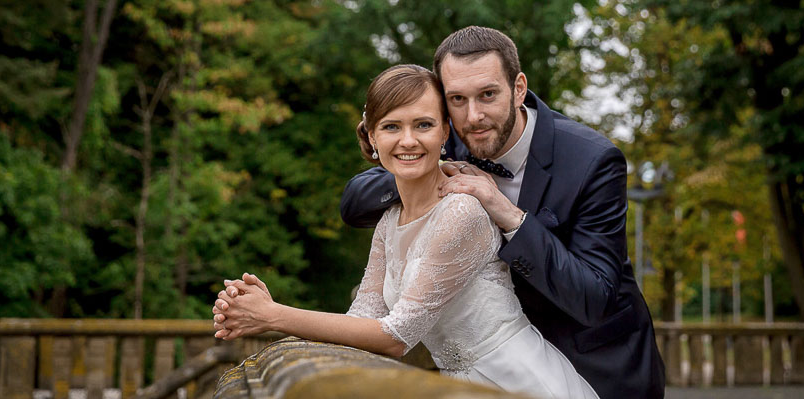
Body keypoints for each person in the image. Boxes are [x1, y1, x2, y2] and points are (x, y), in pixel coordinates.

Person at [213, 64, 599, 398]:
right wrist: (262, 308)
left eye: (424, 125)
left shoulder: (461, 213)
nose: (408, 140)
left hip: (520, 382)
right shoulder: (388, 221)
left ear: (446, 132)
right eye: (392, 126)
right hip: (462, 387)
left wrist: (274, 315)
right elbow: (362, 316)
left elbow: (395, 338)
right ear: (372, 138)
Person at [339, 26, 665, 398]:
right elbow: (354, 204)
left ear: (519, 88)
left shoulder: (592, 160)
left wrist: (506, 212)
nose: (473, 116)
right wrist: (429, 169)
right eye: (457, 99)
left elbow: (594, 298)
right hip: (487, 374)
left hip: (599, 365)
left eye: (488, 95)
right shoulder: (450, 147)